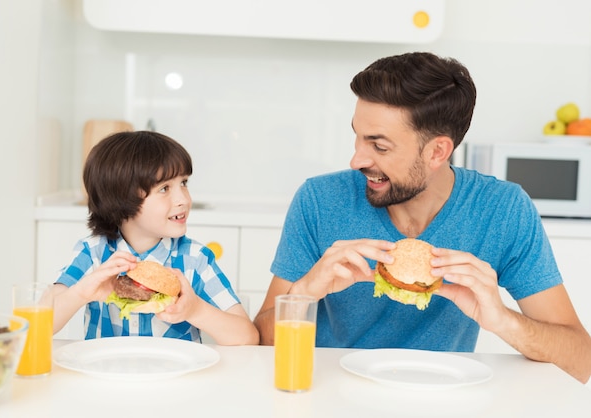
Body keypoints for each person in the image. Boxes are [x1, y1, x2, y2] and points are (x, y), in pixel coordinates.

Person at [253, 52, 591, 383]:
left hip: (445, 398)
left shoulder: (502, 210)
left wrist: (501, 319)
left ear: (437, 152)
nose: (356, 159)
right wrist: (307, 291)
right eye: (357, 136)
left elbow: (580, 360)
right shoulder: (320, 200)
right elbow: (258, 344)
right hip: (330, 393)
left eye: (379, 146)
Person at [50, 130, 259, 345]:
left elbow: (248, 338)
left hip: (178, 377)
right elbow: (39, 323)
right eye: (164, 188)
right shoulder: (93, 253)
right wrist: (81, 293)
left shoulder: (194, 259)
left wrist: (195, 309)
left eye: (184, 183)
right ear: (122, 197)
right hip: (105, 375)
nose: (183, 199)